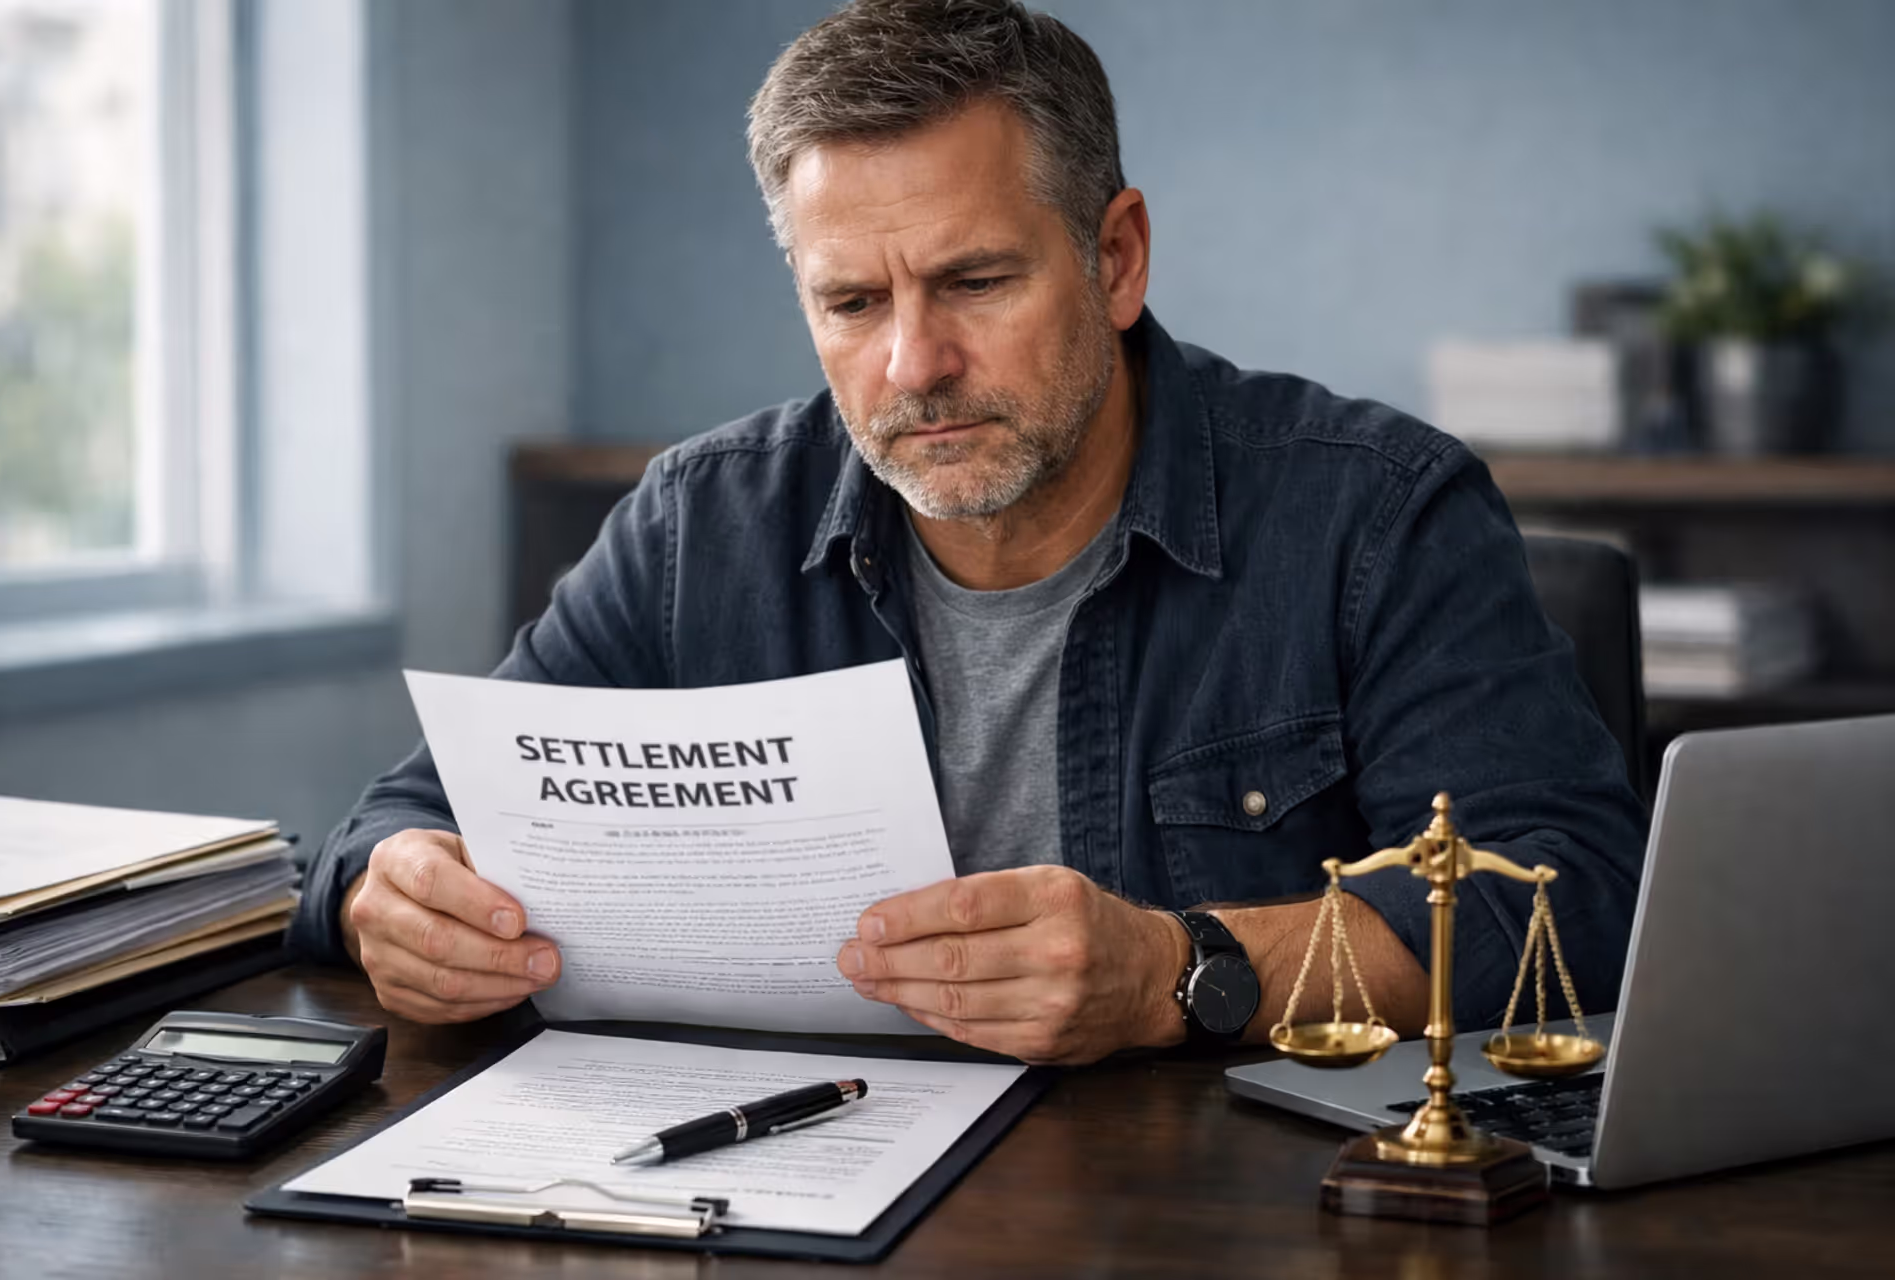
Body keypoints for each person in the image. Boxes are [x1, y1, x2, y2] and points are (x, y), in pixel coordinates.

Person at [292, 0, 1644, 1065]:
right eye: (851, 304)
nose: (911, 365)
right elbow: (410, 815)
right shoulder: (702, 522)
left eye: (975, 281)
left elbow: (1565, 905)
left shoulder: (1376, 514)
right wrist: (391, 896)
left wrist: (1175, 975)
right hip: (784, 1182)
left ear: (1116, 257)